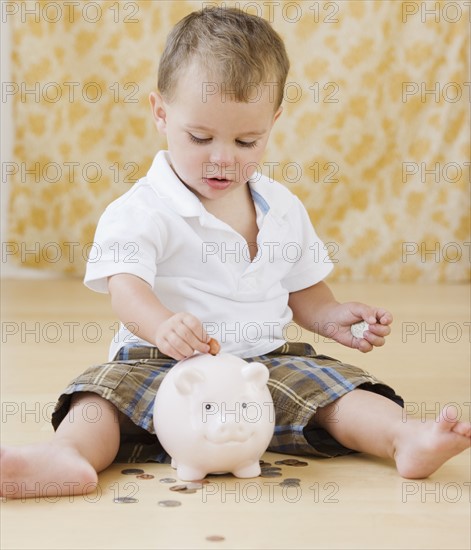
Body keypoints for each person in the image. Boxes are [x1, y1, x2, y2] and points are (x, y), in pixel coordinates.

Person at [1, 7, 469, 500]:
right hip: (161, 363)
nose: (224, 158)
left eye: (248, 140)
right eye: (200, 138)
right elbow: (126, 286)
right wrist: (162, 325)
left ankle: (403, 438)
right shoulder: (143, 208)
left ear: (274, 121)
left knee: (334, 387)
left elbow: (301, 285)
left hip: (260, 366)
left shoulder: (282, 208)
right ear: (161, 114)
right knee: (101, 398)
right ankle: (67, 455)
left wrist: (330, 316)